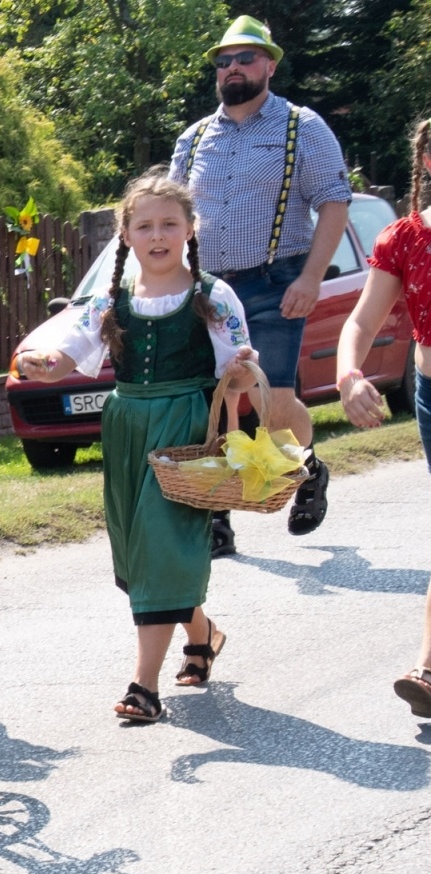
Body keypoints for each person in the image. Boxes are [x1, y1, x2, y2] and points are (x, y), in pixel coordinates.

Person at [17, 170, 259, 723]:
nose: (158, 235)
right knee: (141, 550)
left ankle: (144, 687)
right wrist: (41, 365)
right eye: (144, 225)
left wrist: (245, 373)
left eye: (169, 224)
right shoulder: (111, 296)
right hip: (126, 425)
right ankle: (203, 636)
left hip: (184, 428)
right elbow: (67, 353)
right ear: (125, 234)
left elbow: (239, 368)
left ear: (190, 229)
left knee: (161, 543)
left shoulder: (213, 295)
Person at [170, 16, 352, 551]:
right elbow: (171, 210)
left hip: (277, 282)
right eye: (224, 61)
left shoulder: (302, 126)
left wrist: (313, 279)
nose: (232, 69)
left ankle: (308, 467)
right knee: (210, 400)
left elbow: (335, 203)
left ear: (270, 64)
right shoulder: (195, 136)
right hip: (206, 289)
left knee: (273, 401)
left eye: (245, 58)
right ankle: (218, 513)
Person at [333, 118, 431, 718]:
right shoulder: (406, 238)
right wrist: (349, 375)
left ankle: (427, 664)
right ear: (426, 162)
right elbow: (361, 324)